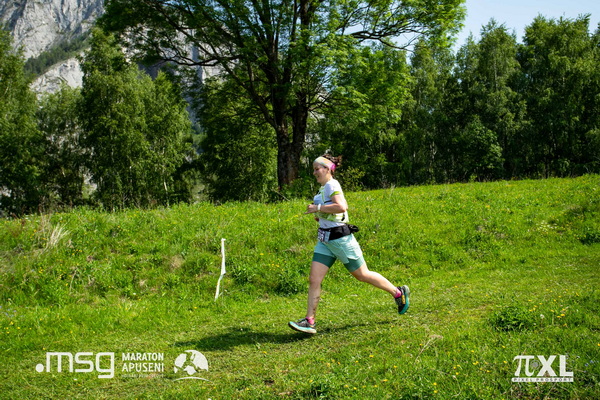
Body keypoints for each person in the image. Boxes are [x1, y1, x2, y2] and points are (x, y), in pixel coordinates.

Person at [288, 154, 410, 334]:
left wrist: (318, 208)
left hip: (340, 239)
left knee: (362, 274)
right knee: (314, 279)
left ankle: (398, 293)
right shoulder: (322, 189)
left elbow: (341, 206)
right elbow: (334, 212)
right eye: (313, 169)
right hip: (325, 241)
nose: (314, 173)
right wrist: (319, 215)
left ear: (327, 169)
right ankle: (309, 321)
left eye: (316, 169)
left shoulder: (332, 185)